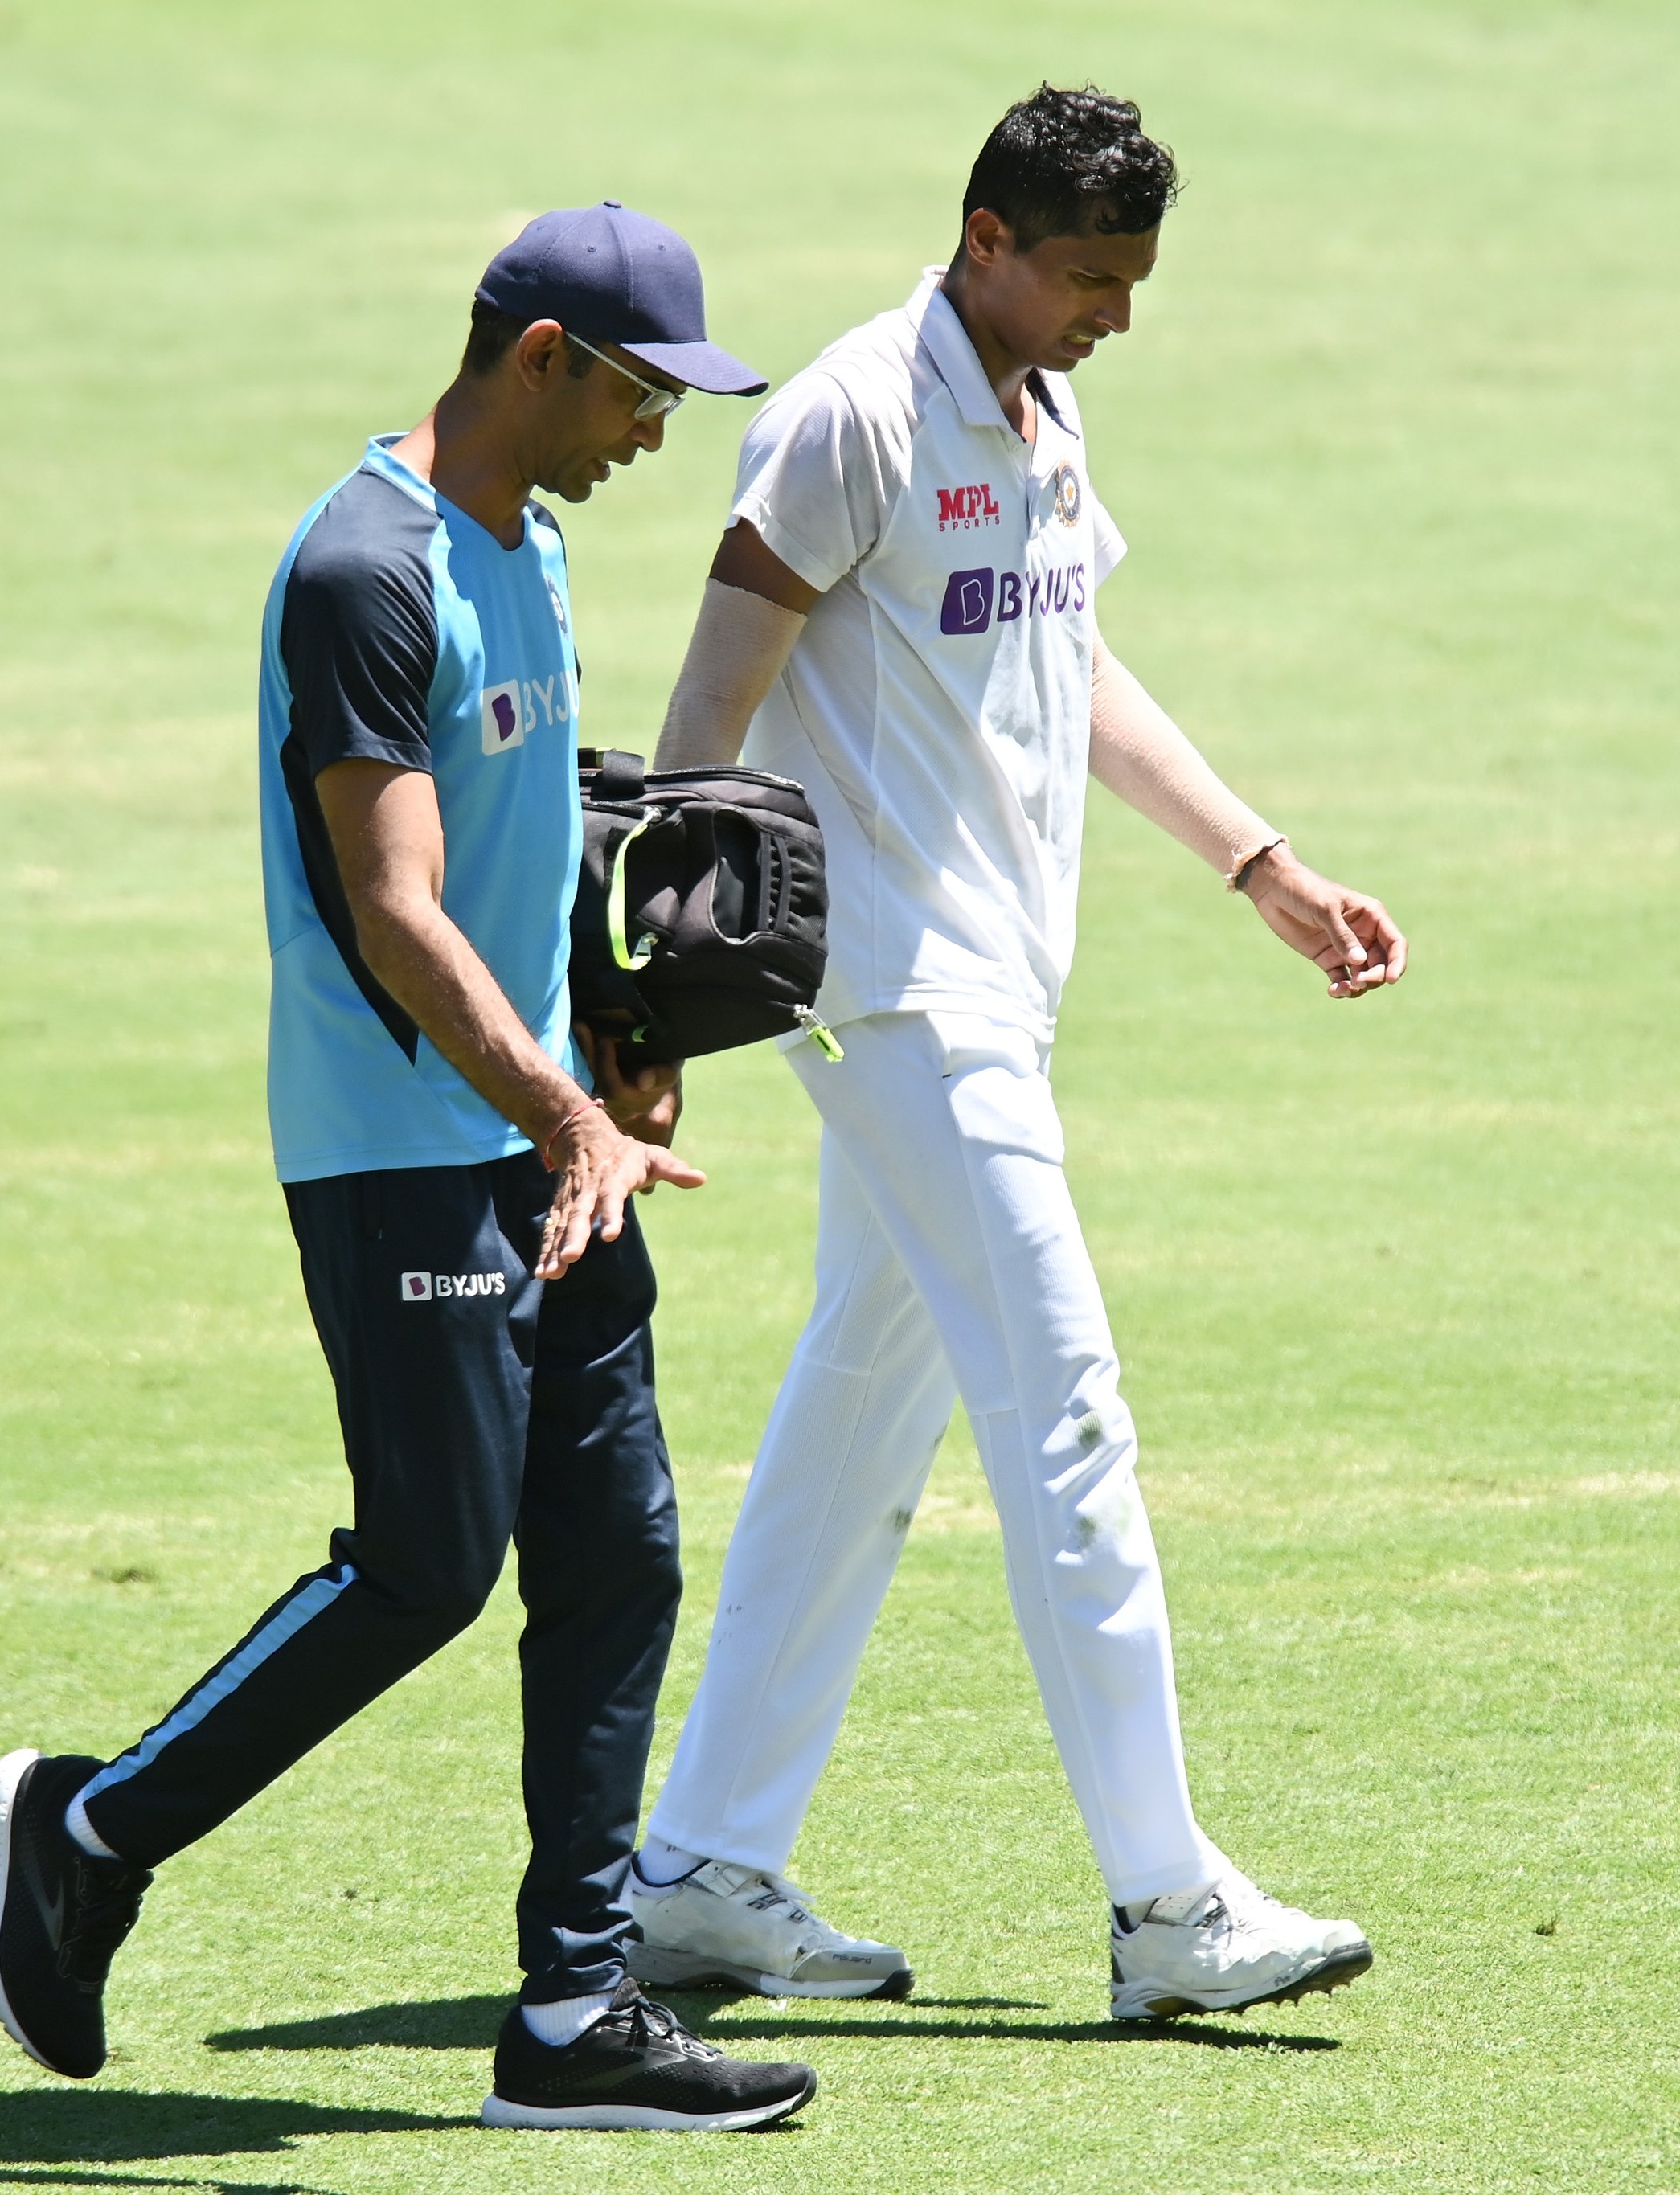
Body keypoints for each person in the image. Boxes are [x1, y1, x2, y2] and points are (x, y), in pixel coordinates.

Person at [0, 202, 819, 2132]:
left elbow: (527, 848)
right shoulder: (365, 567)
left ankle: (570, 2014)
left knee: (618, 1559)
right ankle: (91, 1829)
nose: (653, 437)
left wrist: (614, 1043)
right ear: (535, 357)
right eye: (634, 395)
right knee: (426, 1567)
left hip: (544, 1137)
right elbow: (391, 910)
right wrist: (562, 1109)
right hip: (402, 1150)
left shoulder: (521, 544)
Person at [627, 88, 1409, 2022]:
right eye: (1083, 277)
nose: (1111, 316)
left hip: (992, 982)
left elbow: (1064, 654)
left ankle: (701, 1870)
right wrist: (649, 1002)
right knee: (1064, 1413)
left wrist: (1255, 859)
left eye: (1131, 284)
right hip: (889, 990)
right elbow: (708, 703)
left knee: (855, 1417)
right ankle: (1167, 1907)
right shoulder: (849, 415)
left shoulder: (1042, 404)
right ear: (983, 234)